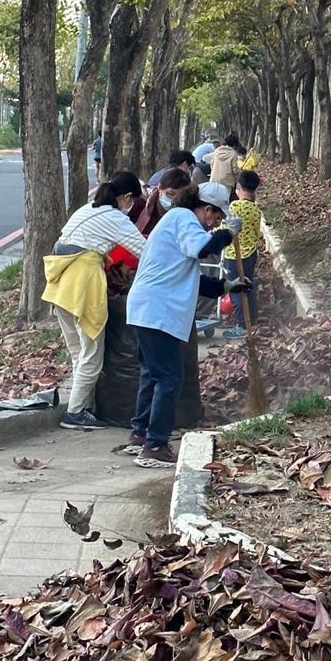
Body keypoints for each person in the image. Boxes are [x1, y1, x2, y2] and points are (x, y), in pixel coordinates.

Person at [125, 182, 250, 467]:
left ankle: (141, 434)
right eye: (216, 218)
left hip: (149, 309)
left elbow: (192, 277)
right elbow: (204, 250)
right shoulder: (183, 218)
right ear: (206, 209)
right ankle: (155, 446)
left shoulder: (177, 225)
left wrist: (227, 286)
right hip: (157, 311)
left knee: (152, 376)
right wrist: (228, 233)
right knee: (169, 379)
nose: (214, 224)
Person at [42, 180, 147, 430]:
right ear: (127, 197)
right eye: (134, 202)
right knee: (92, 354)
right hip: (84, 283)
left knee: (79, 352)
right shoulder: (115, 217)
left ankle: (83, 407)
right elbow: (145, 251)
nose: (133, 208)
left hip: (60, 286)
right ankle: (75, 412)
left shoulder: (86, 209)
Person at [222, 170, 262, 339]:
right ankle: (251, 319)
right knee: (248, 285)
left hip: (235, 255)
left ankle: (241, 324)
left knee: (236, 288)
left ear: (238, 187)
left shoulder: (234, 206)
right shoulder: (255, 210)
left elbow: (227, 227)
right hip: (251, 254)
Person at [136, 168, 191, 237]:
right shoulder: (141, 204)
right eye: (170, 194)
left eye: (179, 198)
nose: (173, 201)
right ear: (160, 187)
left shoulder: (186, 214)